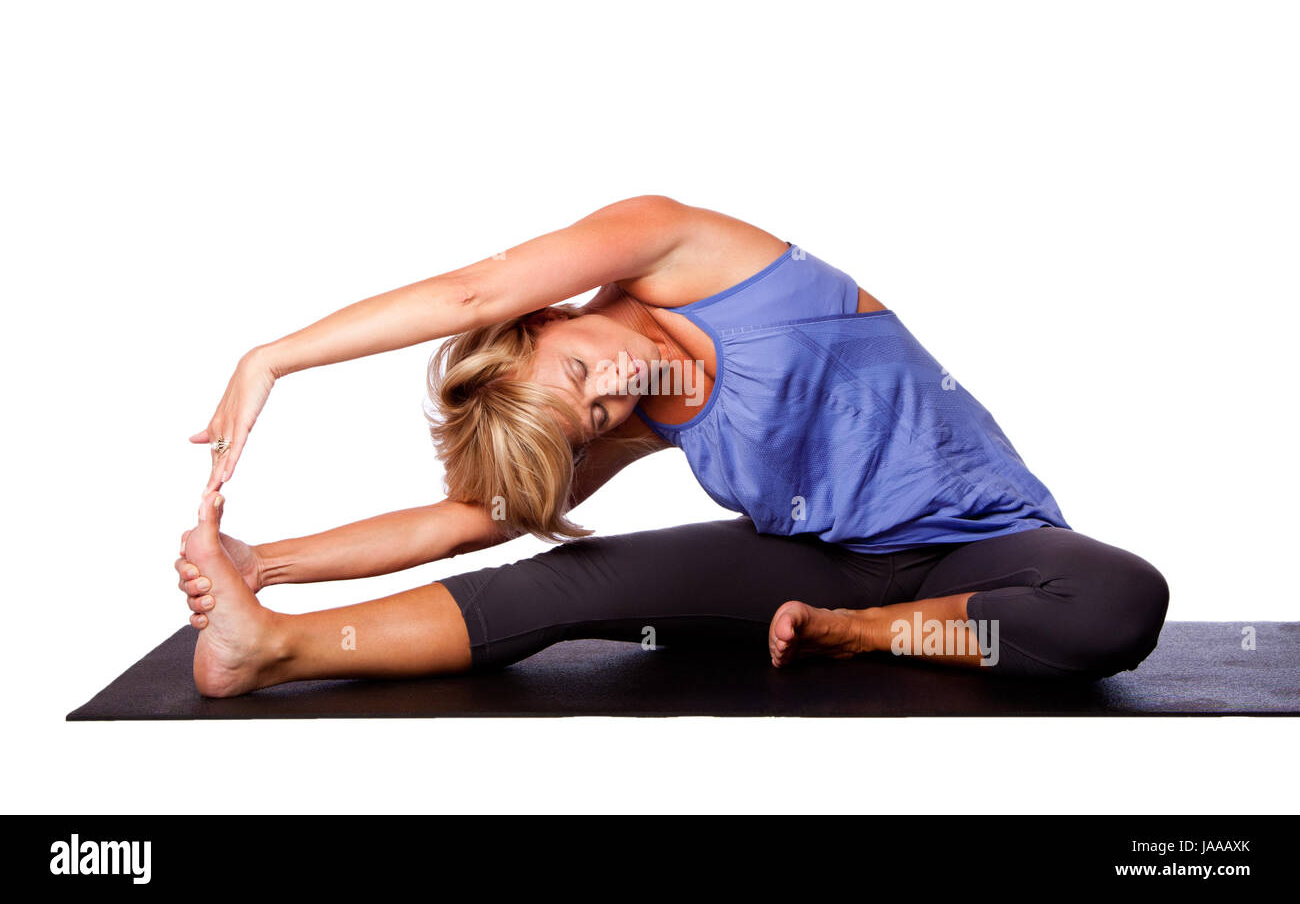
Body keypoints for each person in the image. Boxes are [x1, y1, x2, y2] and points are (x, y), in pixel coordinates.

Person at [176, 194, 1169, 697]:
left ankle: (859, 634)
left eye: (577, 374)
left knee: (1116, 602)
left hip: (983, 551)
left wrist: (274, 356)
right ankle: (268, 647)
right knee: (563, 579)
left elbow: (472, 290)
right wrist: (264, 562)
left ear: (544, 318)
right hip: (825, 570)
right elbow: (459, 523)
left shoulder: (677, 251)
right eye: (594, 420)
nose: (612, 393)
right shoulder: (638, 413)